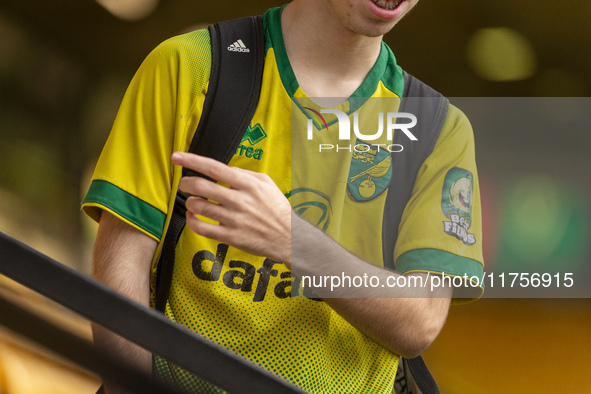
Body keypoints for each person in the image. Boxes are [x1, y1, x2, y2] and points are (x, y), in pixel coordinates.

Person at [83, 0, 485, 393]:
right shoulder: (191, 66)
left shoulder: (439, 130)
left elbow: (419, 322)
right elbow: (121, 265)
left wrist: (294, 241)